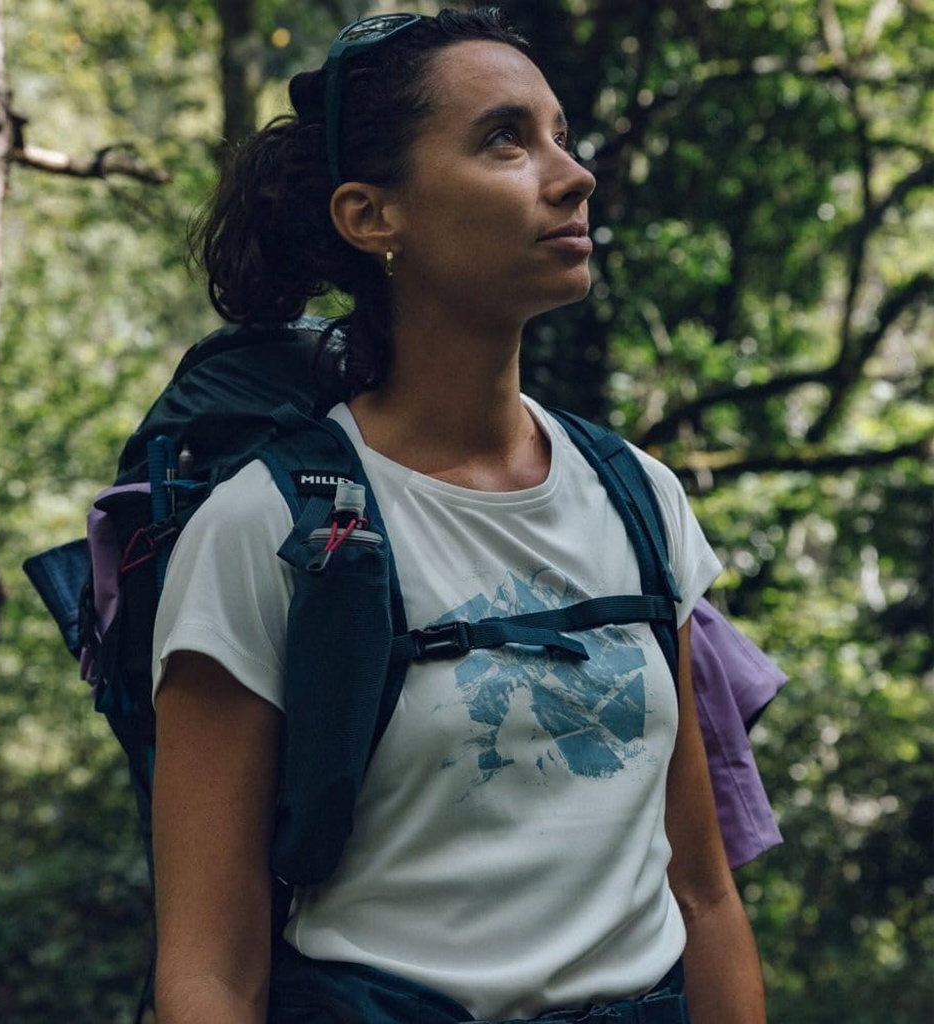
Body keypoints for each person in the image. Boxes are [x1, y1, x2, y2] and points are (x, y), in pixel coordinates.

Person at [150, 8, 767, 1024]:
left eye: (561, 136)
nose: (573, 176)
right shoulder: (267, 528)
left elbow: (702, 894)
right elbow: (210, 971)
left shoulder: (638, 497)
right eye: (505, 140)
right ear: (371, 216)